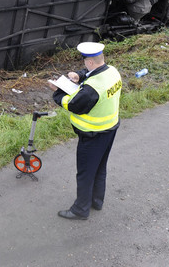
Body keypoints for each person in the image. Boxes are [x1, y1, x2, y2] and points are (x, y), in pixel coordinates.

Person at [48, 41, 122, 220]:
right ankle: (97, 201)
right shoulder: (112, 71)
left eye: (84, 64)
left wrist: (58, 92)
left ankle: (80, 209)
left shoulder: (92, 89)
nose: (84, 66)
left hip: (92, 135)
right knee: (99, 168)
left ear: (89, 62)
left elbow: (74, 104)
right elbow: (92, 74)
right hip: (109, 129)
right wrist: (79, 76)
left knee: (85, 173)